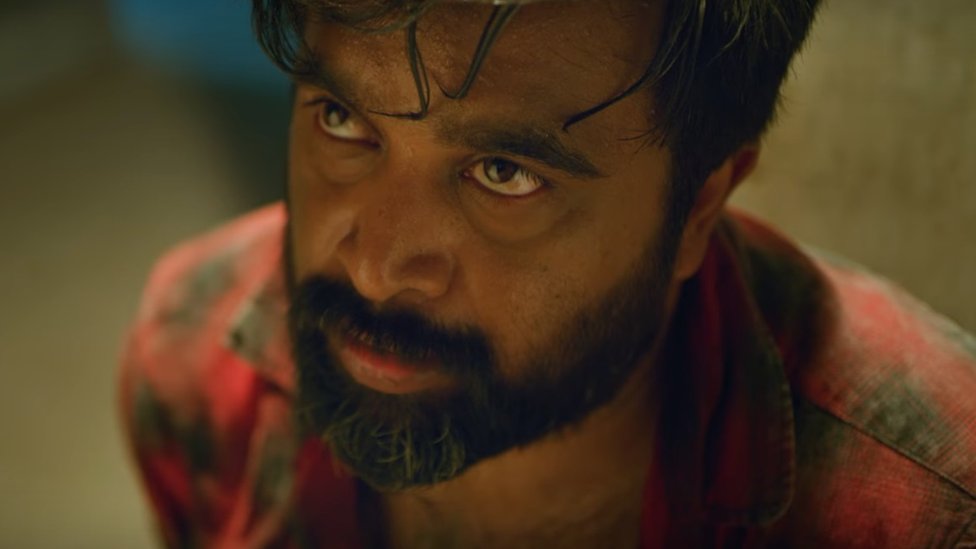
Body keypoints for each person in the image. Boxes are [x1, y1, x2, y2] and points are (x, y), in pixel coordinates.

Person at [118, 0, 976, 547]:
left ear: (699, 206)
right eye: (341, 120)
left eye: (503, 173)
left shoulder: (928, 510)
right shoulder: (195, 359)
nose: (375, 269)